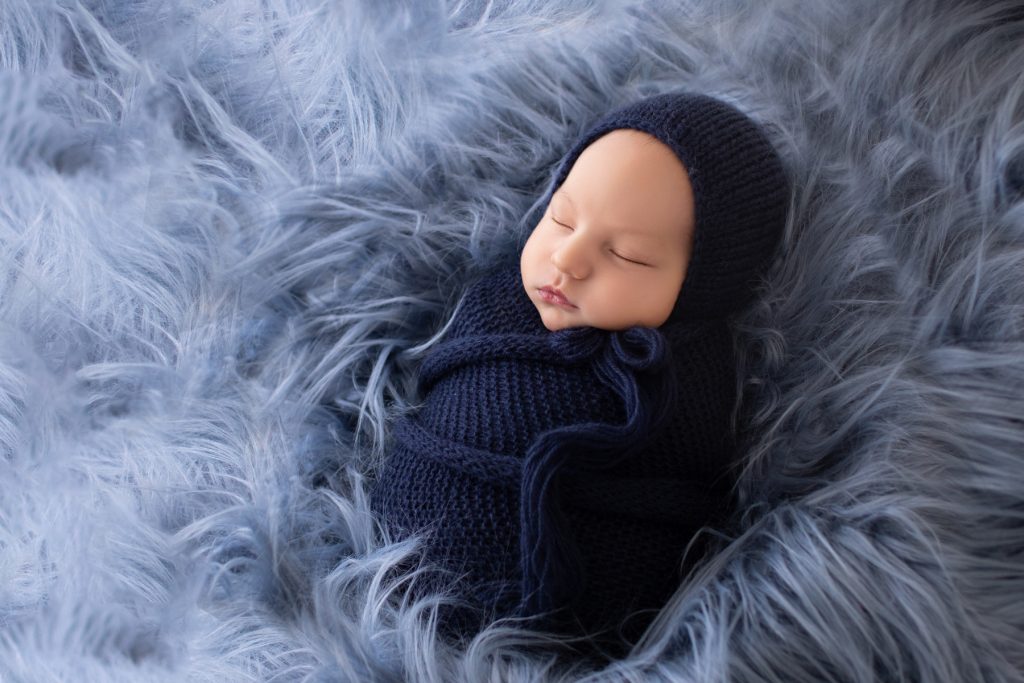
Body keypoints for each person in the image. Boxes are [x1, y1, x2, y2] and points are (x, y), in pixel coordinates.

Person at [370, 91, 790, 660]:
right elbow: (438, 380)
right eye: (562, 217)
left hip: (573, 609)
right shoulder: (499, 300)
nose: (568, 258)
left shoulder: (684, 377)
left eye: (629, 255)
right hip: (386, 569)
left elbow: (692, 486)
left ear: (701, 283)